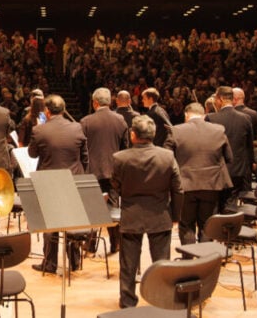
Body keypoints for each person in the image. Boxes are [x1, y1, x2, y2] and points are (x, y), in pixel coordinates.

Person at [112, 114, 183, 309]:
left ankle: (127, 303)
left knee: (128, 264)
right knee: (161, 264)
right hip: (160, 215)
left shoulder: (120, 158)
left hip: (131, 215)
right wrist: (176, 216)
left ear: (133, 135)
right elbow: (177, 188)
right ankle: (162, 300)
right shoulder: (167, 156)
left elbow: (116, 186)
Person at [28, 94, 88, 273]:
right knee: (72, 221)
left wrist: (39, 130)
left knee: (50, 224)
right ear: (63, 110)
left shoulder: (39, 130)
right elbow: (85, 158)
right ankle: (75, 261)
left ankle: (50, 263)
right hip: (73, 180)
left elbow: (32, 154)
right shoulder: (77, 127)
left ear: (46, 111)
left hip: (48, 182)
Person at [170, 102, 232, 244]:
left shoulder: (176, 130)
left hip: (185, 185)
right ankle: (205, 259)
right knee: (207, 225)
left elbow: (168, 159)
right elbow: (229, 158)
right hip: (211, 184)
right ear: (204, 115)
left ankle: (189, 261)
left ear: (186, 115)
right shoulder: (219, 130)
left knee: (186, 225)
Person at [81, 87, 129, 254]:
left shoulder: (86, 121)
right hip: (114, 171)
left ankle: (90, 244)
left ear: (95, 103)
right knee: (113, 208)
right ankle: (115, 244)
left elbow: (82, 149)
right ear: (109, 102)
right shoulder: (121, 120)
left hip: (92, 171)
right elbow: (125, 149)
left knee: (92, 208)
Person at [205, 86, 254, 212]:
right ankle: (231, 228)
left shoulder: (211, 118)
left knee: (216, 206)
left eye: (216, 98)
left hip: (218, 170)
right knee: (231, 204)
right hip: (238, 170)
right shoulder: (246, 118)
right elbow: (249, 148)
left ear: (220, 99)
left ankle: (218, 229)